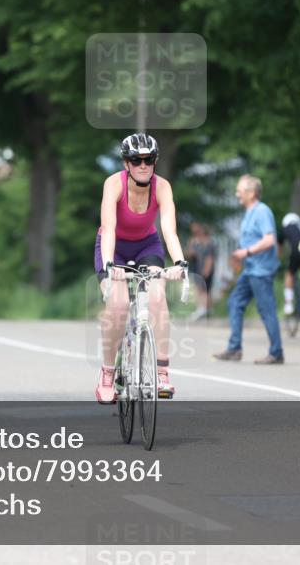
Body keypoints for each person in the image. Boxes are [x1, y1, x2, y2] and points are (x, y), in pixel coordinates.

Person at [95, 133, 188, 403]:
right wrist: (110, 264)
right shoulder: (113, 184)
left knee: (157, 297)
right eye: (136, 160)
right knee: (119, 303)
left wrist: (179, 263)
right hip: (114, 247)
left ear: (155, 162)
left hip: (147, 245)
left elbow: (169, 231)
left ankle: (162, 373)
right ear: (127, 163)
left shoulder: (163, 187)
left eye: (149, 160)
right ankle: (108, 373)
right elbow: (109, 228)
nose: (143, 165)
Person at [213, 174, 284, 364]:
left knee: (266, 310)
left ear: (251, 193)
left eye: (240, 190)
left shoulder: (262, 211)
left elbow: (269, 240)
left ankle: (276, 353)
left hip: (261, 271)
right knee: (235, 302)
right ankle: (234, 349)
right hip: (251, 270)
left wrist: (247, 252)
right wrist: (240, 256)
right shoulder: (249, 213)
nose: (237, 193)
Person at [185, 222, 215, 321]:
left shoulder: (208, 243)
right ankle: (204, 309)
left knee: (205, 290)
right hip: (197, 268)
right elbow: (189, 254)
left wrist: (207, 270)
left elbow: (209, 258)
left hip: (204, 269)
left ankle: (204, 309)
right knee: (201, 289)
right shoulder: (194, 241)